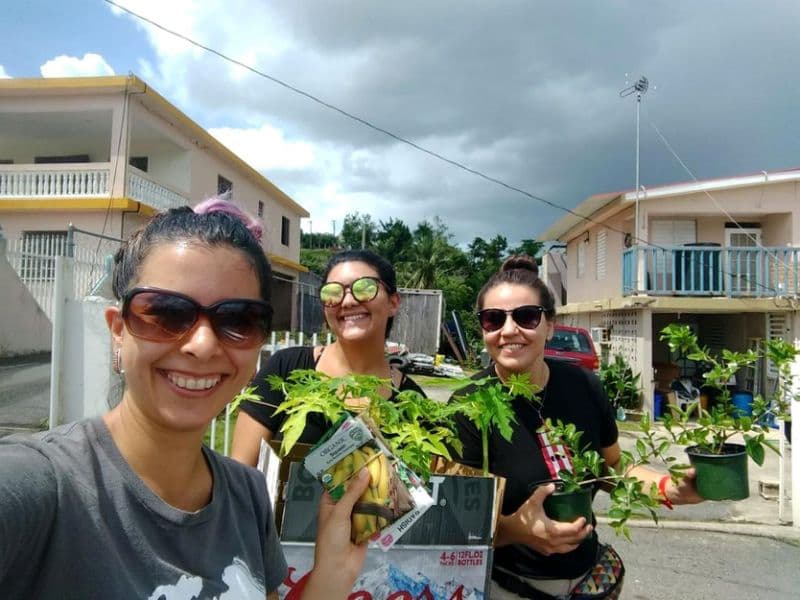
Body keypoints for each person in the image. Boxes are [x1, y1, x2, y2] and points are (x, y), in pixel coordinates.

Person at [0, 201, 369, 599]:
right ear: (118, 330)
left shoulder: (245, 493)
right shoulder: (42, 487)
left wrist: (332, 574)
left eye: (238, 319)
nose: (204, 344)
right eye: (167, 313)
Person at [451, 255, 703, 600]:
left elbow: (611, 468)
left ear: (550, 325)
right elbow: (455, 521)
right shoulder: (467, 406)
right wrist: (516, 530)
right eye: (493, 319)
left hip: (586, 582)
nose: (509, 330)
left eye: (526, 316)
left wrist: (669, 488)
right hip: (505, 585)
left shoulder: (583, 385)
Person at [232, 249, 424, 463]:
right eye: (333, 292)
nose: (348, 301)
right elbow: (240, 472)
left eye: (365, 288)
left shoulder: (412, 402)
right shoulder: (287, 369)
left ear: (393, 302)